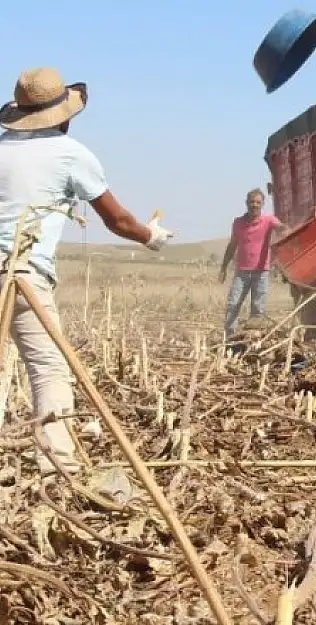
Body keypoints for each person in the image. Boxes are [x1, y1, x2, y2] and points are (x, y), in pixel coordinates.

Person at [0, 67, 173, 476]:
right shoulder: (70, 154)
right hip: (23, 275)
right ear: (64, 113)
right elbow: (118, 221)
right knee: (48, 369)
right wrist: (153, 237)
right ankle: (58, 469)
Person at [220, 188, 286, 334]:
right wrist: (223, 267)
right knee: (233, 304)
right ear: (246, 203)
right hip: (242, 272)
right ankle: (230, 338)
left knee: (258, 309)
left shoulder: (269, 220)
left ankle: (252, 339)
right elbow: (232, 246)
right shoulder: (238, 223)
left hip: (261, 272)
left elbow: (280, 227)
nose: (254, 205)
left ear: (262, 204)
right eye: (252, 202)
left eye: (258, 202)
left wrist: (285, 230)